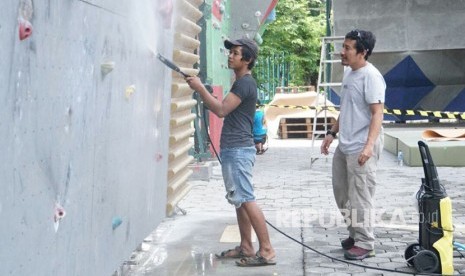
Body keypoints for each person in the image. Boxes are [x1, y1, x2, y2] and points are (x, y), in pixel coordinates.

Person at [185, 38, 276, 267]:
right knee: (239, 200)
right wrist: (204, 93)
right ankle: (246, 246)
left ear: (248, 59)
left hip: (238, 150)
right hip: (233, 149)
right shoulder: (241, 83)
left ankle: (266, 250)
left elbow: (221, 110)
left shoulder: (245, 84)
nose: (230, 56)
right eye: (231, 52)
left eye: (236, 53)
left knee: (246, 198)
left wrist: (199, 89)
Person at [320, 29, 386, 260]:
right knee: (342, 194)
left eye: (348, 48)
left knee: (360, 197)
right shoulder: (349, 73)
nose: (343, 51)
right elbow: (346, 108)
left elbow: (377, 114)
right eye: (344, 46)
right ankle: (354, 234)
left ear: (363, 52)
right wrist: (331, 132)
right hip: (345, 144)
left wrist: (369, 147)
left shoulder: (372, 77)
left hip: (361, 146)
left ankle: (366, 243)